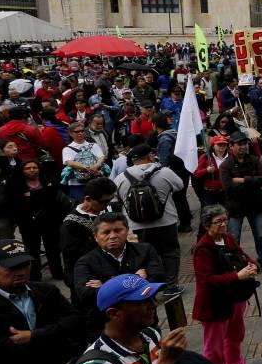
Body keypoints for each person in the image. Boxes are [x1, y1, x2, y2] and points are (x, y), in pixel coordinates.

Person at [0, 238, 85, 364]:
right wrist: (54, 337)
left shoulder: (47, 292)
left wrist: (34, 336)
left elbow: (75, 321)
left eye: (25, 265)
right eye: (12, 268)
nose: (21, 272)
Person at [69, 273, 189, 364]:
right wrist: (165, 361)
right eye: (143, 301)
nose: (154, 304)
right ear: (114, 313)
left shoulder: (151, 335)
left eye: (152, 297)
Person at [72, 212, 167, 339]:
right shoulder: (85, 262)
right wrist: (137, 279)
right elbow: (86, 295)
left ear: (127, 230)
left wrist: (106, 285)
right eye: (106, 232)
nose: (112, 236)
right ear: (95, 236)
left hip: (145, 324)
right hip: (106, 330)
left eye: (118, 230)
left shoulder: (145, 250)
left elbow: (157, 278)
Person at [191, 204, 258, 364]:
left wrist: (252, 264)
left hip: (235, 297)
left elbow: (241, 254)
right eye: (218, 221)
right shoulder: (202, 249)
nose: (223, 224)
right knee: (214, 346)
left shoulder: (227, 238)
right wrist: (236, 276)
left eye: (225, 220)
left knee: (236, 335)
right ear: (207, 225)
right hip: (215, 303)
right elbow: (206, 280)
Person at [112, 144, 184, 294]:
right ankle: (171, 286)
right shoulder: (165, 172)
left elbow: (114, 198)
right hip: (166, 222)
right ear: (150, 156)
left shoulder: (121, 178)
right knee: (170, 253)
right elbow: (180, 186)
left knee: (144, 256)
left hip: (137, 226)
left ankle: (149, 288)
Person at [5, 159, 69, 281]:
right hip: (28, 222)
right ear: (22, 171)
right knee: (32, 249)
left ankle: (57, 272)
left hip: (50, 220)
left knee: (53, 248)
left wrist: (32, 195)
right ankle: (35, 276)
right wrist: (42, 195)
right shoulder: (16, 184)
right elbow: (16, 203)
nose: (32, 170)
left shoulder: (47, 179)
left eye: (34, 167)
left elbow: (53, 196)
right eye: (28, 168)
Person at [221, 131, 262, 271]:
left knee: (261, 234)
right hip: (235, 207)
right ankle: (236, 263)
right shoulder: (226, 165)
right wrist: (252, 182)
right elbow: (228, 187)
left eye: (245, 143)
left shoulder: (254, 160)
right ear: (231, 146)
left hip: (254, 204)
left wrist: (243, 180)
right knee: (234, 237)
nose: (243, 147)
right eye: (239, 144)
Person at [61, 178, 117, 304]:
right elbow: (74, 257)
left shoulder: (106, 211)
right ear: (88, 199)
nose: (107, 205)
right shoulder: (71, 224)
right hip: (87, 280)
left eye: (110, 200)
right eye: (104, 201)